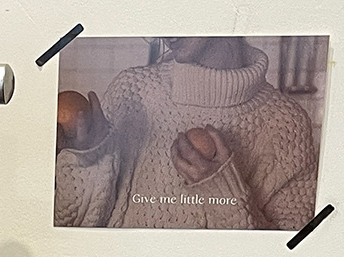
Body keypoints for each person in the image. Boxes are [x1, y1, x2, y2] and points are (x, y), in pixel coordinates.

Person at [55, 37, 318, 230]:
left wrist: (223, 191)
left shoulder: (287, 124)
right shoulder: (132, 91)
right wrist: (90, 159)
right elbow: (71, 228)